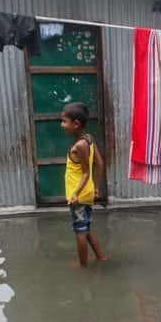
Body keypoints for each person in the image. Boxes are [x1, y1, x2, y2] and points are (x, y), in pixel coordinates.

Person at [61, 102, 105, 267]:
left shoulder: (79, 146)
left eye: (64, 121)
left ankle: (83, 267)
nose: (62, 125)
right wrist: (96, 187)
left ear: (76, 124)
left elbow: (86, 172)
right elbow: (99, 164)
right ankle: (101, 257)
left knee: (80, 231)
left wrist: (75, 194)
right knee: (85, 228)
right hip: (86, 193)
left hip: (78, 196)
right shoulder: (89, 139)